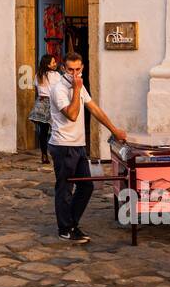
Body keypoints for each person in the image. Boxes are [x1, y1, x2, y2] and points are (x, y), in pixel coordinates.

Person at [48, 51, 127, 244]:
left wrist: (114, 129)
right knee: (65, 188)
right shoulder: (59, 89)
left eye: (77, 69)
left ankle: (72, 223)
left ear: (82, 67)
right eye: (70, 69)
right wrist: (76, 89)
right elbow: (73, 114)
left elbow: (94, 109)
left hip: (78, 145)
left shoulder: (80, 87)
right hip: (63, 145)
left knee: (87, 186)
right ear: (63, 68)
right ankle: (65, 229)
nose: (74, 73)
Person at [28, 53, 60, 166]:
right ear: (48, 65)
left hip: (41, 103)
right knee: (56, 129)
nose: (55, 64)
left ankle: (44, 154)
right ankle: (56, 153)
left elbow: (37, 88)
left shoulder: (38, 75)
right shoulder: (56, 75)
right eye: (53, 62)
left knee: (43, 131)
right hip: (52, 103)